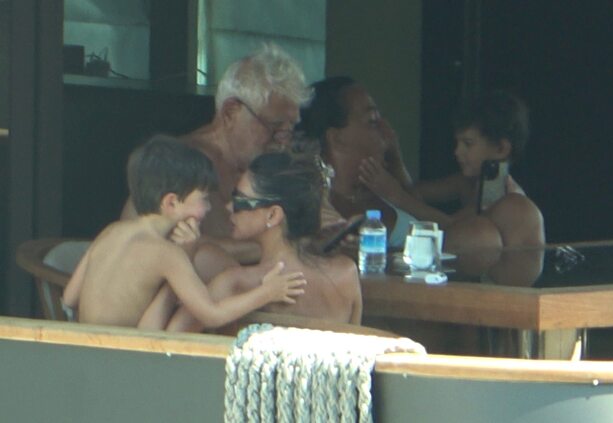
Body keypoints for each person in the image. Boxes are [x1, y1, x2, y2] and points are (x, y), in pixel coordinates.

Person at [62, 135, 306, 330]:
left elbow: (70, 298)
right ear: (171, 203)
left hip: (84, 348)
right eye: (203, 199)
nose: (209, 208)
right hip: (123, 359)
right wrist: (266, 293)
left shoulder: (111, 231)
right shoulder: (168, 254)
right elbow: (212, 314)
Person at [120, 43, 312, 265]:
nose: (283, 140)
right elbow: (175, 247)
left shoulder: (267, 168)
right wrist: (285, 246)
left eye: (290, 128)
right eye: (274, 126)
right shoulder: (177, 165)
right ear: (230, 112)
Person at [167, 151, 362, 332]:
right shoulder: (346, 274)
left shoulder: (235, 282)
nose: (228, 207)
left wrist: (181, 259)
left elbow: (171, 338)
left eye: (240, 201)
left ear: (273, 215)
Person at [358, 89, 545, 249]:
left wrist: (396, 195)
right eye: (458, 143)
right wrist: (395, 158)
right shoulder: (465, 182)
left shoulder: (505, 196)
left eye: (468, 144)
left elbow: (455, 228)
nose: (457, 151)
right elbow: (415, 196)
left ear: (501, 149)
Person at [297, 76, 449, 249]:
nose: (388, 131)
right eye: (373, 121)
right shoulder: (315, 207)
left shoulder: (386, 187)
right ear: (336, 138)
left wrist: (396, 164)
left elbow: (443, 232)